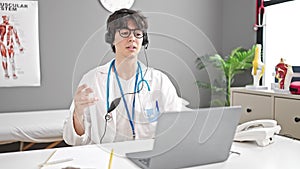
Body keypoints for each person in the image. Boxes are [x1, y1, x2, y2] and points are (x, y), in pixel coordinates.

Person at [63, 8, 183, 145]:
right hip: (104, 157)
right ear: (111, 39)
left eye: (137, 34)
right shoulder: (92, 80)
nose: (132, 38)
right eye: (125, 33)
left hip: (145, 156)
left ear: (143, 40)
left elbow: (176, 129)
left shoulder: (160, 81)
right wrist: (78, 112)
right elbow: (72, 140)